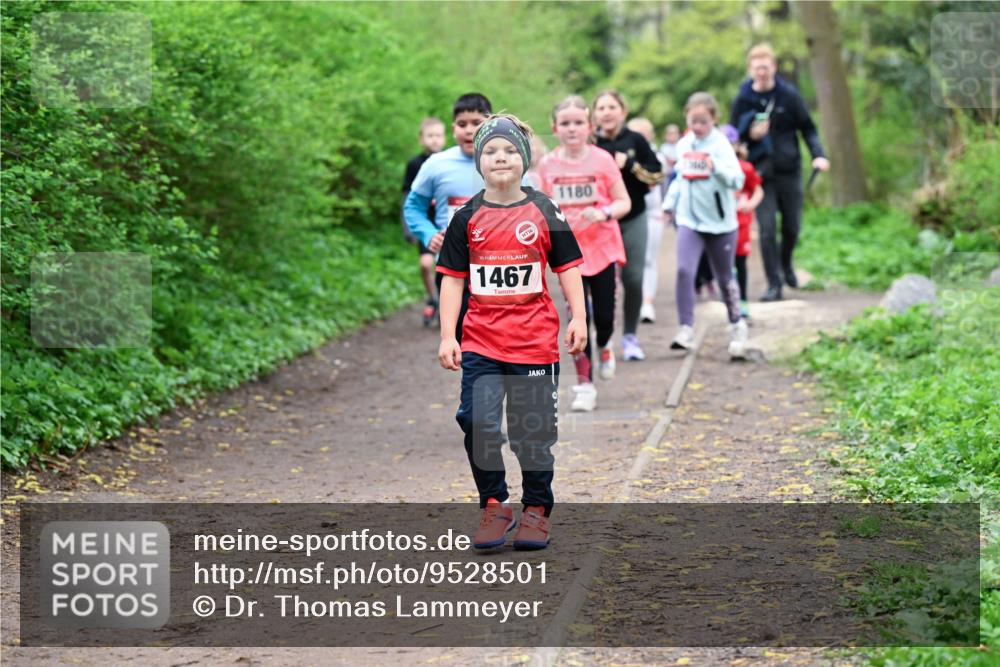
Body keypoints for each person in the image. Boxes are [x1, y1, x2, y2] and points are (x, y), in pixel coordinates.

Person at [437, 113, 587, 551]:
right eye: (490, 151)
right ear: (478, 162)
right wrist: (448, 336)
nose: (500, 157)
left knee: (531, 431)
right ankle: (495, 503)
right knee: (476, 421)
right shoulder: (466, 217)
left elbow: (567, 267)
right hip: (481, 341)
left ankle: (536, 509)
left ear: (523, 159)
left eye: (508, 150)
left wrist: (578, 317)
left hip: (534, 344)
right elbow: (452, 280)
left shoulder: (544, 209)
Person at [538, 95, 631, 412]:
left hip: (603, 249)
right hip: (568, 255)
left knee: (604, 317)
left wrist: (603, 213)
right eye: (565, 123)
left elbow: (624, 202)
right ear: (554, 128)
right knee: (577, 318)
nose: (572, 129)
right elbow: (541, 208)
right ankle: (584, 385)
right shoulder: (547, 165)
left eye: (578, 123)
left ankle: (605, 344)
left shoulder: (602, 160)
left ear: (589, 127)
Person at [730, 43, 830, 301]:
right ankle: (774, 284)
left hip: (789, 169)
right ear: (750, 69)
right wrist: (749, 135)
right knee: (766, 229)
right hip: (760, 175)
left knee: (792, 227)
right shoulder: (742, 99)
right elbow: (732, 136)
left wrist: (818, 155)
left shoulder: (788, 96)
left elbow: (808, 127)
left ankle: (786, 265)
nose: (761, 72)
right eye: (757, 68)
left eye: (765, 67)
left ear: (773, 67)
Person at [662, 92, 748, 359]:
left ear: (714, 120)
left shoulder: (721, 144)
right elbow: (680, 178)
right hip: (689, 220)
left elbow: (737, 180)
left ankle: (737, 324)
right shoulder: (684, 144)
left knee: (724, 277)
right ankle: (686, 329)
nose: (698, 126)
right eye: (693, 121)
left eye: (703, 121)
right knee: (684, 271)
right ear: (686, 118)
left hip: (721, 223)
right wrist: (669, 204)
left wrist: (715, 167)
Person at [405, 93, 493, 341]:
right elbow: (413, 207)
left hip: (496, 265)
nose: (469, 130)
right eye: (462, 124)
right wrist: (428, 234)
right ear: (453, 128)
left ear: (490, 124)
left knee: (495, 338)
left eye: (476, 123)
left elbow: (528, 208)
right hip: (452, 264)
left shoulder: (506, 160)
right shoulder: (436, 164)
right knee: (459, 337)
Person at [593, 90, 664, 361]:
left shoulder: (636, 140)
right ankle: (603, 338)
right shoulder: (591, 143)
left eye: (612, 107)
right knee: (600, 281)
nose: (607, 112)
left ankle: (630, 336)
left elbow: (656, 175)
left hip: (633, 217)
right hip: (599, 221)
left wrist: (631, 164)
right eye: (601, 108)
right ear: (594, 114)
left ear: (623, 111)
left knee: (633, 278)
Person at [401, 117, 446, 326]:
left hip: (447, 224)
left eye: (438, 135)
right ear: (421, 139)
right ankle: (433, 299)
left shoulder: (450, 162)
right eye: (430, 136)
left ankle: (448, 306)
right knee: (426, 264)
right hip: (425, 225)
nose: (434, 140)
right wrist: (409, 228)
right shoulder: (414, 165)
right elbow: (407, 198)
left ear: (444, 138)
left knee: (447, 267)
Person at [625, 117, 666, 325]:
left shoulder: (656, 158)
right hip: (626, 214)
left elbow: (660, 183)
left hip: (652, 214)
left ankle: (647, 302)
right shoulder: (621, 156)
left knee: (648, 260)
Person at [721, 124, 764, 318]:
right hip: (720, 223)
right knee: (724, 263)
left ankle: (743, 300)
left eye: (729, 144)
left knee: (740, 262)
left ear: (736, 145)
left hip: (742, 223)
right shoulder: (712, 168)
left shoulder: (745, 168)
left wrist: (751, 204)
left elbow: (758, 190)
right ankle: (730, 299)